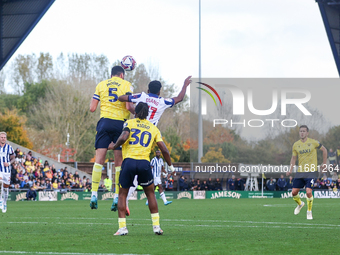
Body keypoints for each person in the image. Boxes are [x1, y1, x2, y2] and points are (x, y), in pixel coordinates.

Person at [117, 76, 191, 213]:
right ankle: (153, 222)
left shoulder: (142, 96)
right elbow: (179, 98)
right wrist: (185, 85)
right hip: (150, 135)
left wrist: (128, 96)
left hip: (133, 132)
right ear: (159, 92)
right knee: (143, 172)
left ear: (148, 89)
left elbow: (122, 98)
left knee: (128, 166)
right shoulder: (162, 101)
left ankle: (121, 198)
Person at [110, 102, 175, 236]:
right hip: (144, 164)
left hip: (129, 162)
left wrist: (115, 145)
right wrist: (171, 166)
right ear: (147, 113)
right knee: (150, 194)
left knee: (122, 194)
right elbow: (164, 149)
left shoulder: (129, 123)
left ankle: (122, 228)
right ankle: (156, 227)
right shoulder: (153, 128)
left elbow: (123, 137)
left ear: (136, 112)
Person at [89, 65, 135, 210]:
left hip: (104, 123)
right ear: (122, 75)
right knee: (119, 163)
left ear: (112, 75)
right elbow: (128, 107)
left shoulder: (101, 85)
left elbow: (92, 108)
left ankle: (94, 194)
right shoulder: (127, 85)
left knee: (99, 161)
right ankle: (116, 197)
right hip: (120, 124)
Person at [286, 125, 327, 220]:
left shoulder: (313, 142)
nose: (302, 133)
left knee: (308, 191)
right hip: (300, 172)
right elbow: (293, 158)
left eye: (304, 131)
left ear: (307, 133)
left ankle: (309, 211)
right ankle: (300, 204)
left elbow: (324, 150)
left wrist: (324, 163)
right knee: (294, 192)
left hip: (312, 171)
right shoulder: (296, 145)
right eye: (300, 131)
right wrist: (290, 169)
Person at [0, 132, 15, 213]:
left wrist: (9, 163)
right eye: (1, 137)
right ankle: (0, 200)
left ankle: (5, 203)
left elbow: (13, 158)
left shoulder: (9, 147)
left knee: (6, 189)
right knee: (0, 182)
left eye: (4, 137)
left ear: (6, 138)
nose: (3, 138)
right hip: (0, 170)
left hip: (7, 171)